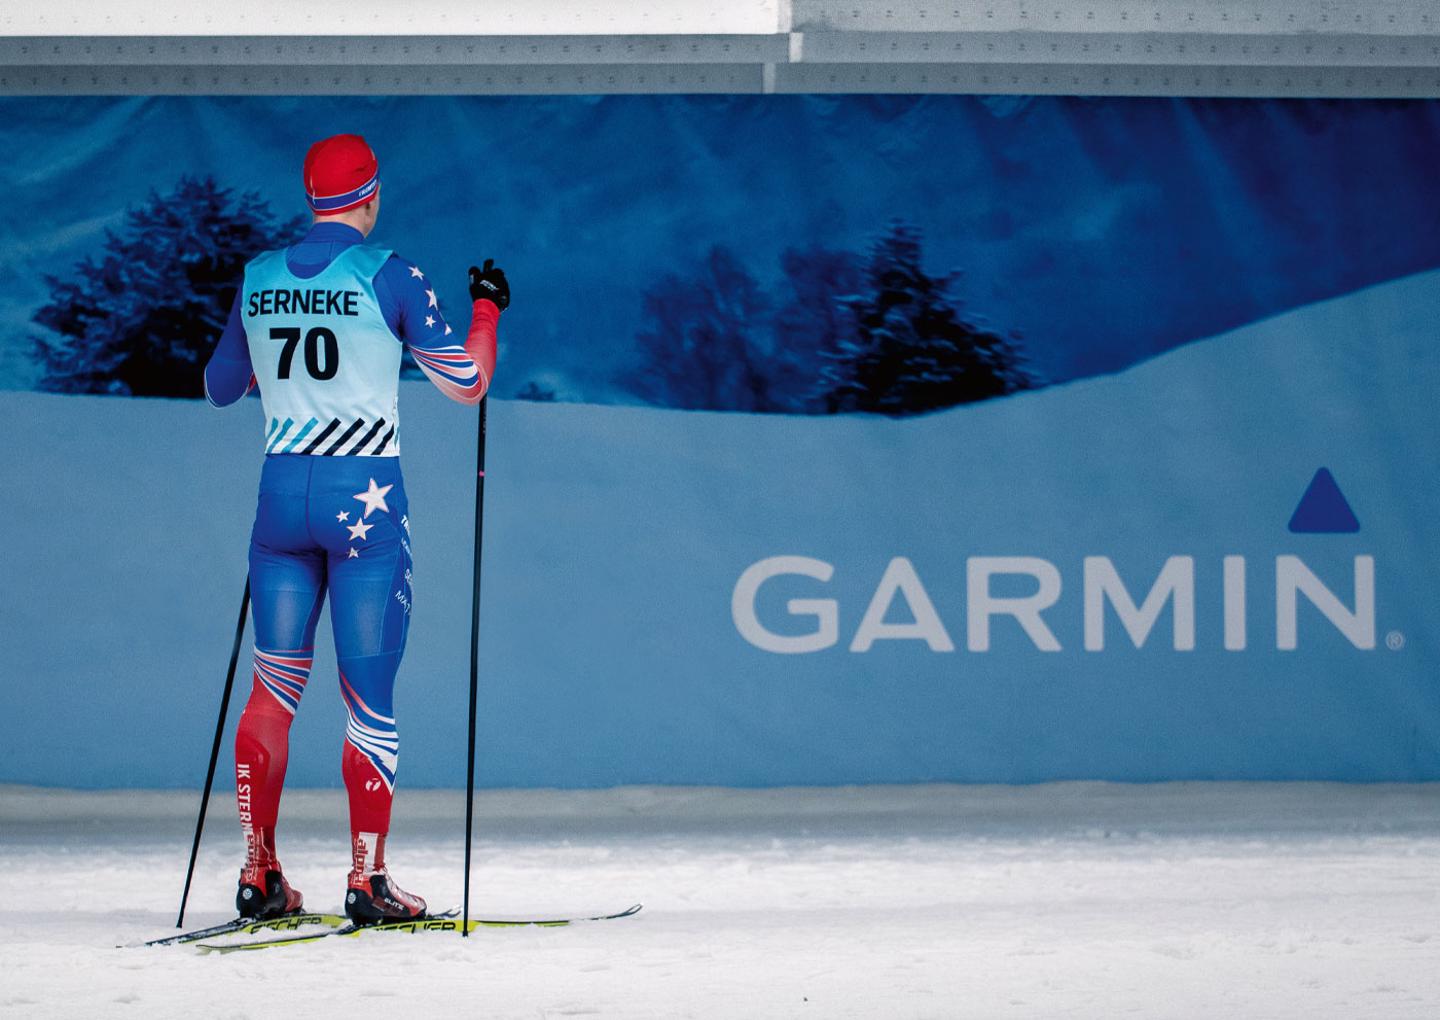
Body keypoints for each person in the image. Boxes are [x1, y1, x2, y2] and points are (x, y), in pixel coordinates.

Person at [203, 133, 509, 924]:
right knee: (367, 697)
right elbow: (466, 384)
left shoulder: (258, 277)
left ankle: (257, 873)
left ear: (311, 198)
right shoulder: (391, 274)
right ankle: (367, 881)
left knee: (272, 692)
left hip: (281, 498)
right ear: (371, 197)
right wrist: (485, 309)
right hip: (363, 498)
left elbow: (218, 388)